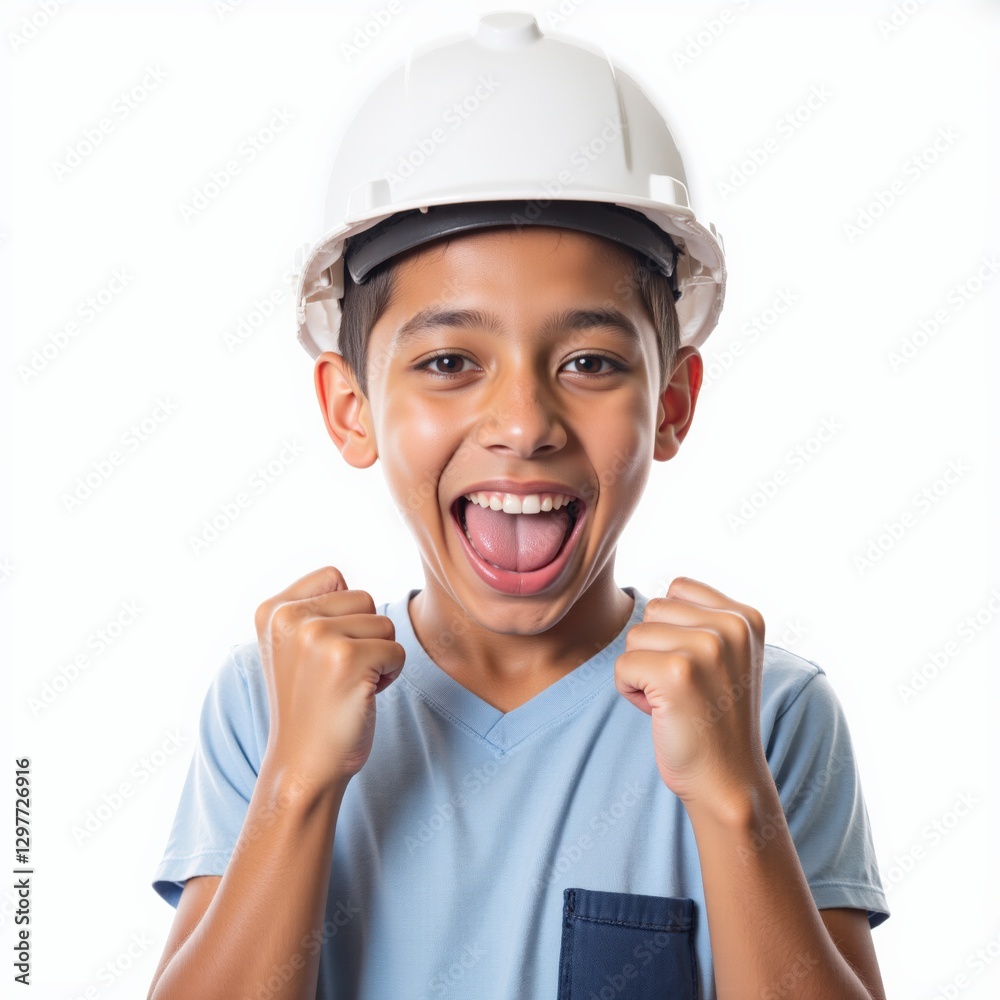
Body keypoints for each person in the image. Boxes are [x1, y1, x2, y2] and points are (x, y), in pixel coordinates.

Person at [147, 11, 889, 1000]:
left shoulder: (764, 709)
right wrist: (297, 786)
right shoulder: (271, 701)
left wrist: (732, 800)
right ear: (351, 408)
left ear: (671, 403)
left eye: (588, 361)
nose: (524, 421)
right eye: (449, 361)